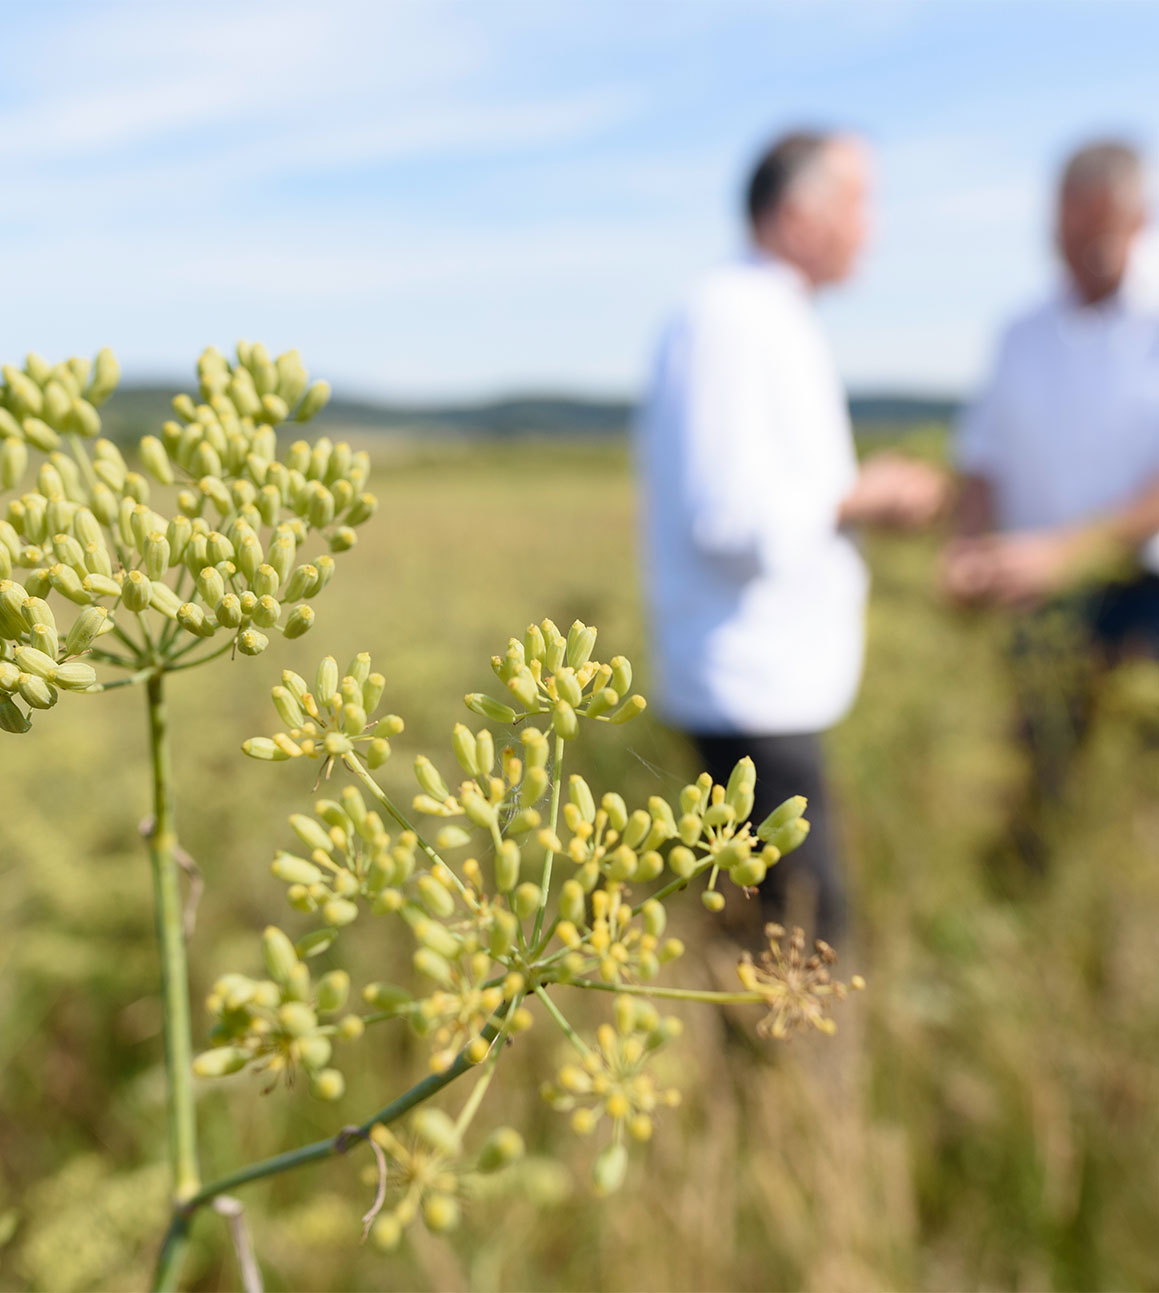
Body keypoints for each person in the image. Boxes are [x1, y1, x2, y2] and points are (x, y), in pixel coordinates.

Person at [637, 129, 945, 944]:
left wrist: (852, 498)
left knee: (772, 928)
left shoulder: (761, 313)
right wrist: (858, 498)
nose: (869, 228)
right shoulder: (731, 317)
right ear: (800, 214)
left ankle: (768, 1070)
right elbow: (727, 518)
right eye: (858, 204)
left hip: (765, 683)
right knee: (800, 939)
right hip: (749, 691)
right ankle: (793, 1076)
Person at [944, 139, 1159, 862]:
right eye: (1065, 231)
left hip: (1140, 594)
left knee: (1134, 784)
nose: (1075, 249)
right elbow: (982, 461)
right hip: (1035, 598)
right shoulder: (1020, 332)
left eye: (1095, 231)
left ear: (1139, 220)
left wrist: (1066, 554)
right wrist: (967, 548)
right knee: (1040, 778)